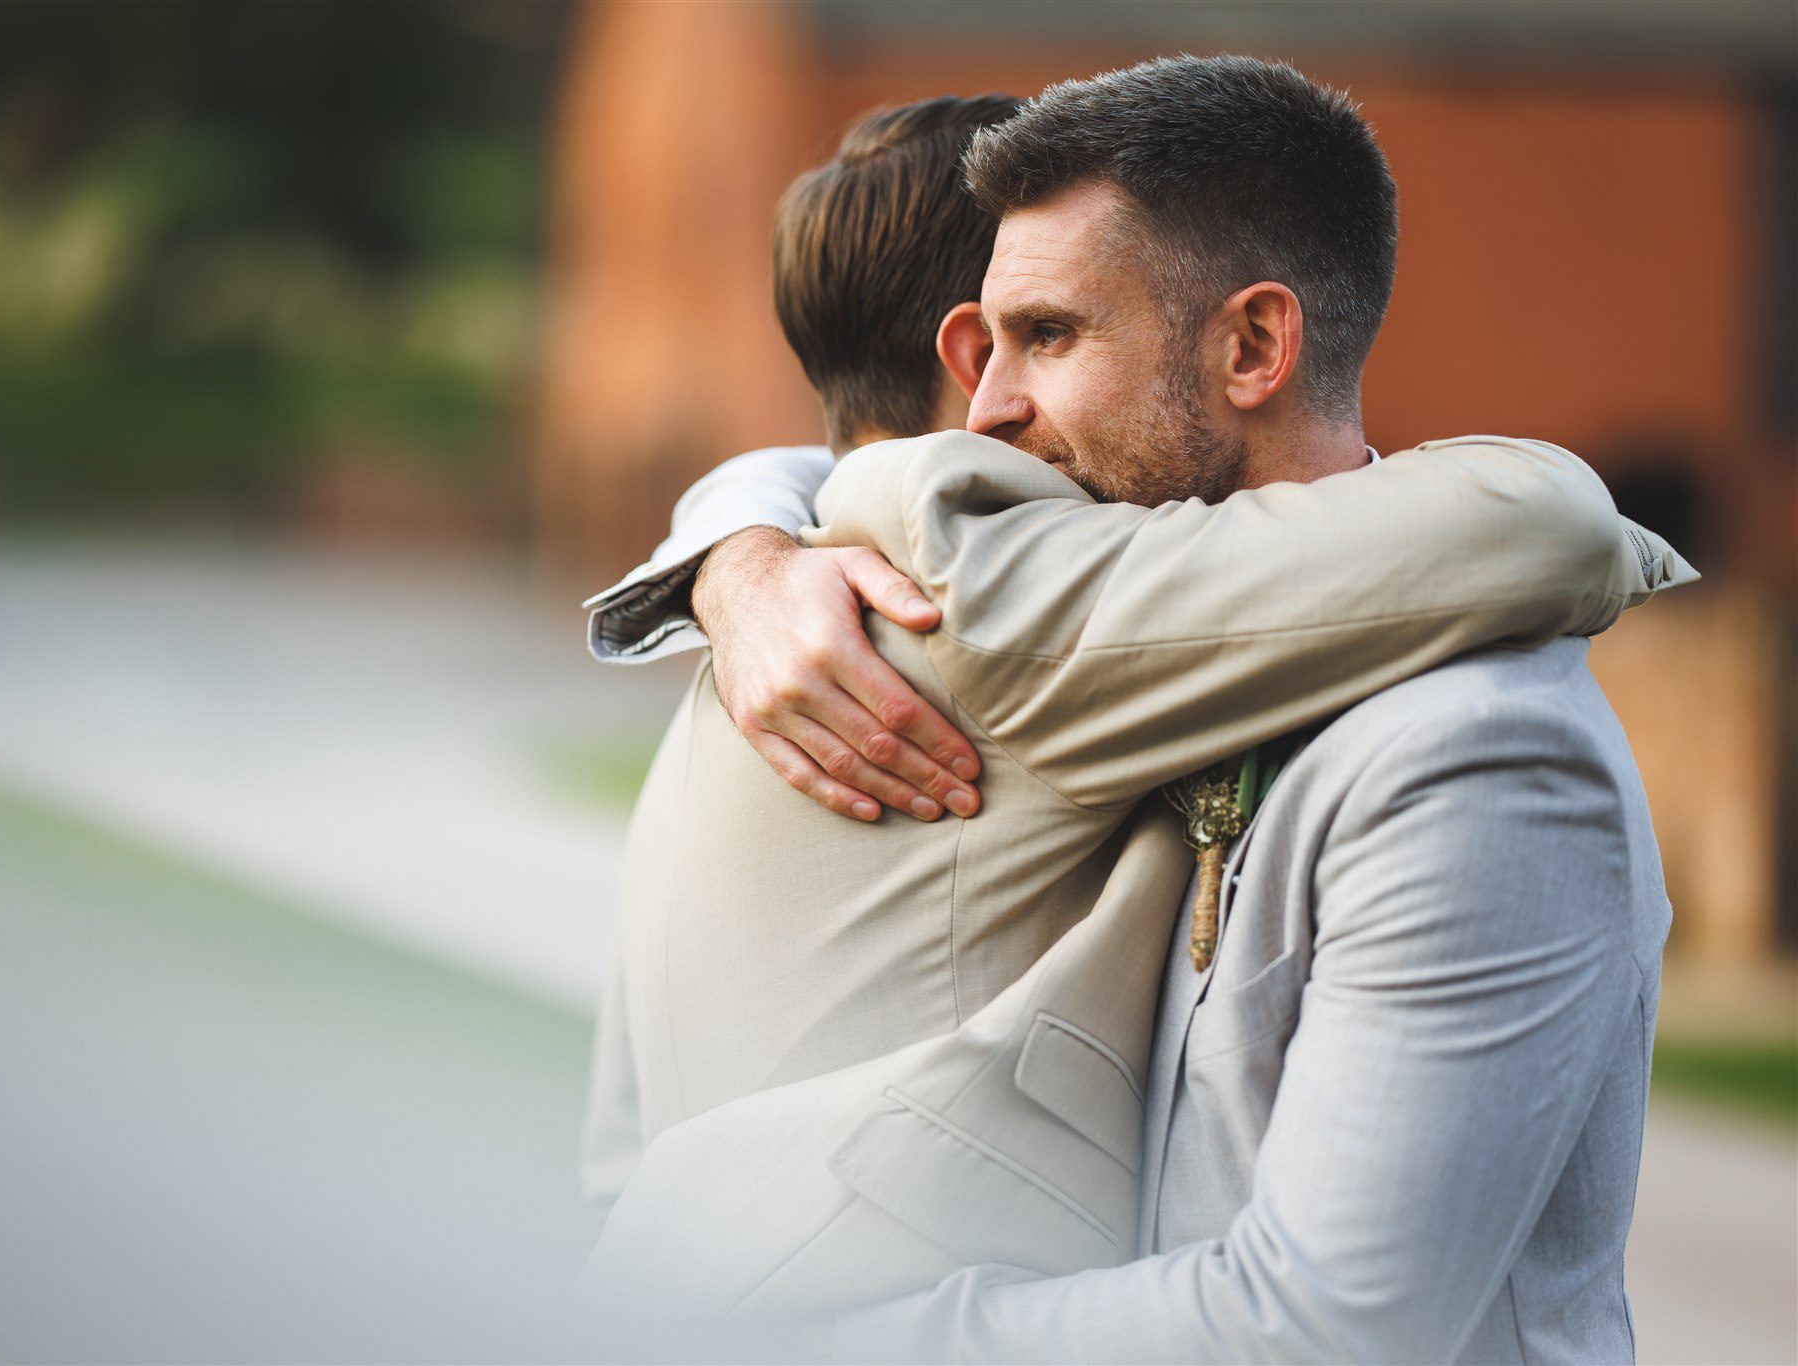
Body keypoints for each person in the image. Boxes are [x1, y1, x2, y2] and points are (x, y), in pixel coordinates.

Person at [586, 58, 1694, 1362]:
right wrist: (737, 552)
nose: (995, 406)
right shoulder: (942, 592)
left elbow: (1326, 1326)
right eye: (986, 345)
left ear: (1253, 344)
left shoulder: (1487, 753)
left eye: (1047, 335)